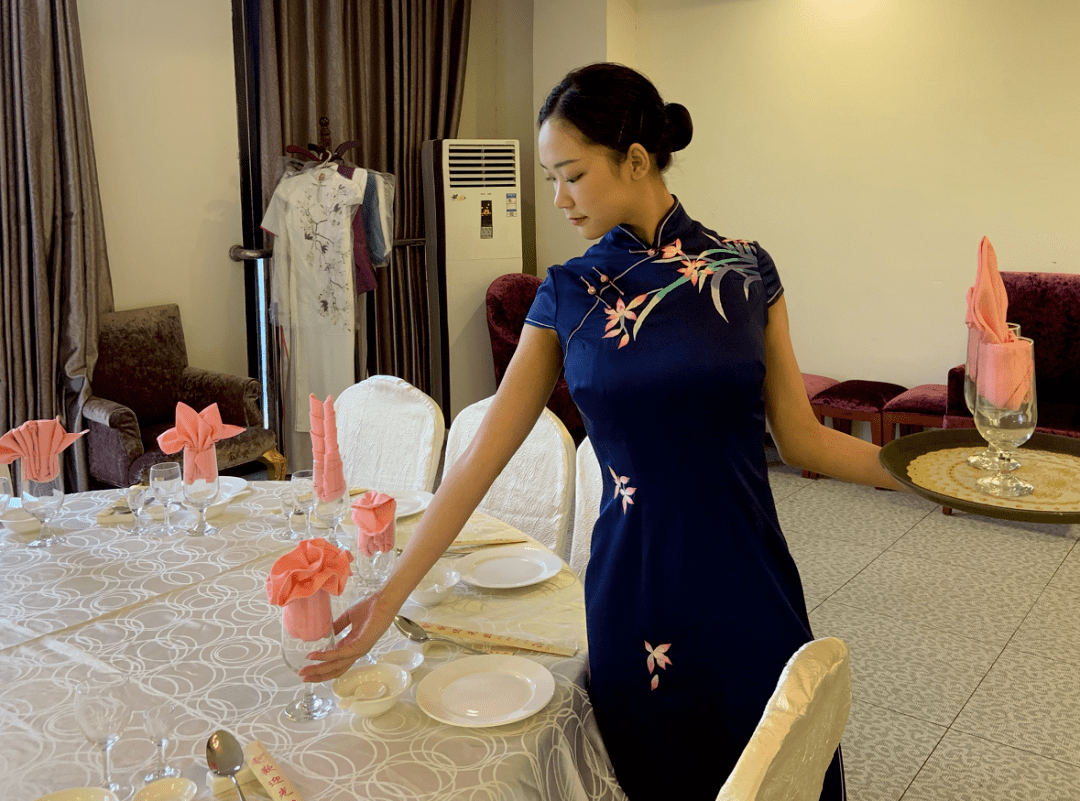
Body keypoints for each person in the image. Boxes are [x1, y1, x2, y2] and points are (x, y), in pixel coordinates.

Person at [301, 62, 902, 799]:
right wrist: (387, 597)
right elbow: (479, 460)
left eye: (572, 175)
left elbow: (803, 438)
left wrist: (925, 470)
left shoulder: (747, 272)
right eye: (551, 177)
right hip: (635, 597)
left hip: (751, 584)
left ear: (637, 160)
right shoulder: (568, 293)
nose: (557, 199)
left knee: (775, 765)